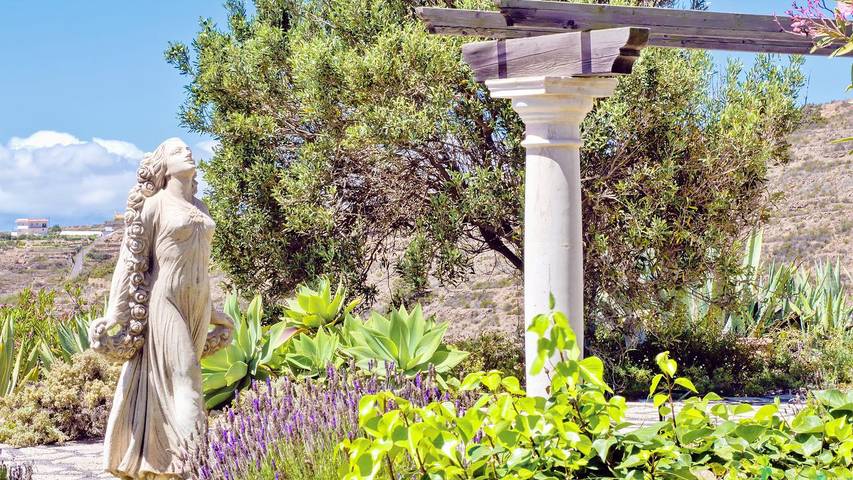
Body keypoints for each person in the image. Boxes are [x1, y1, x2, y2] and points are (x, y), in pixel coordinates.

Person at [89, 138, 232, 479]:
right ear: (164, 166)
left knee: (183, 379)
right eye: (177, 150)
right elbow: (130, 262)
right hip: (165, 301)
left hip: (196, 305)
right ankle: (194, 466)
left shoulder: (202, 206)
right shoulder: (154, 206)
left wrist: (214, 312)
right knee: (188, 379)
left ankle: (169, 459)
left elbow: (200, 266)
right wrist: (115, 313)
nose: (187, 152)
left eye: (188, 148)